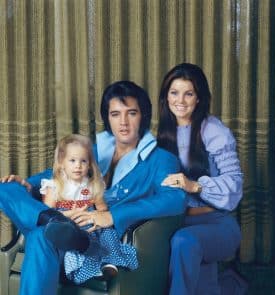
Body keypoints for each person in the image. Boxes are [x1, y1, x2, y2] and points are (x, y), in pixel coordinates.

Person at [0, 80, 186, 295]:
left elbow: (176, 199)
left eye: (131, 113)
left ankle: (51, 222)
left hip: (94, 234)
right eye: (115, 114)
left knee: (39, 237)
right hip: (63, 223)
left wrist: (112, 216)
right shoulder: (92, 151)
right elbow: (53, 175)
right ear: (107, 118)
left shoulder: (161, 159)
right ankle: (50, 218)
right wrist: (27, 184)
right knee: (6, 188)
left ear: (143, 115)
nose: (123, 122)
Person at [157, 63, 244, 295]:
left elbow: (234, 186)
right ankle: (233, 284)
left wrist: (194, 185)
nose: (181, 101)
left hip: (216, 223)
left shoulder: (213, 130)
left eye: (189, 93)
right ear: (166, 97)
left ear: (199, 98)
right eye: (174, 93)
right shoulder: (164, 132)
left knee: (184, 242)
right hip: (178, 222)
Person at [40, 133, 138, 284]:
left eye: (83, 161)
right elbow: (46, 214)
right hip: (68, 226)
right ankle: (91, 270)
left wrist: (96, 215)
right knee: (79, 240)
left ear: (89, 164)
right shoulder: (54, 185)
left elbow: (102, 209)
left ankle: (109, 262)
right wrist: (69, 214)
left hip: (90, 223)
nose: (78, 165)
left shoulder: (92, 185)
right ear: (61, 162)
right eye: (72, 160)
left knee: (107, 231)